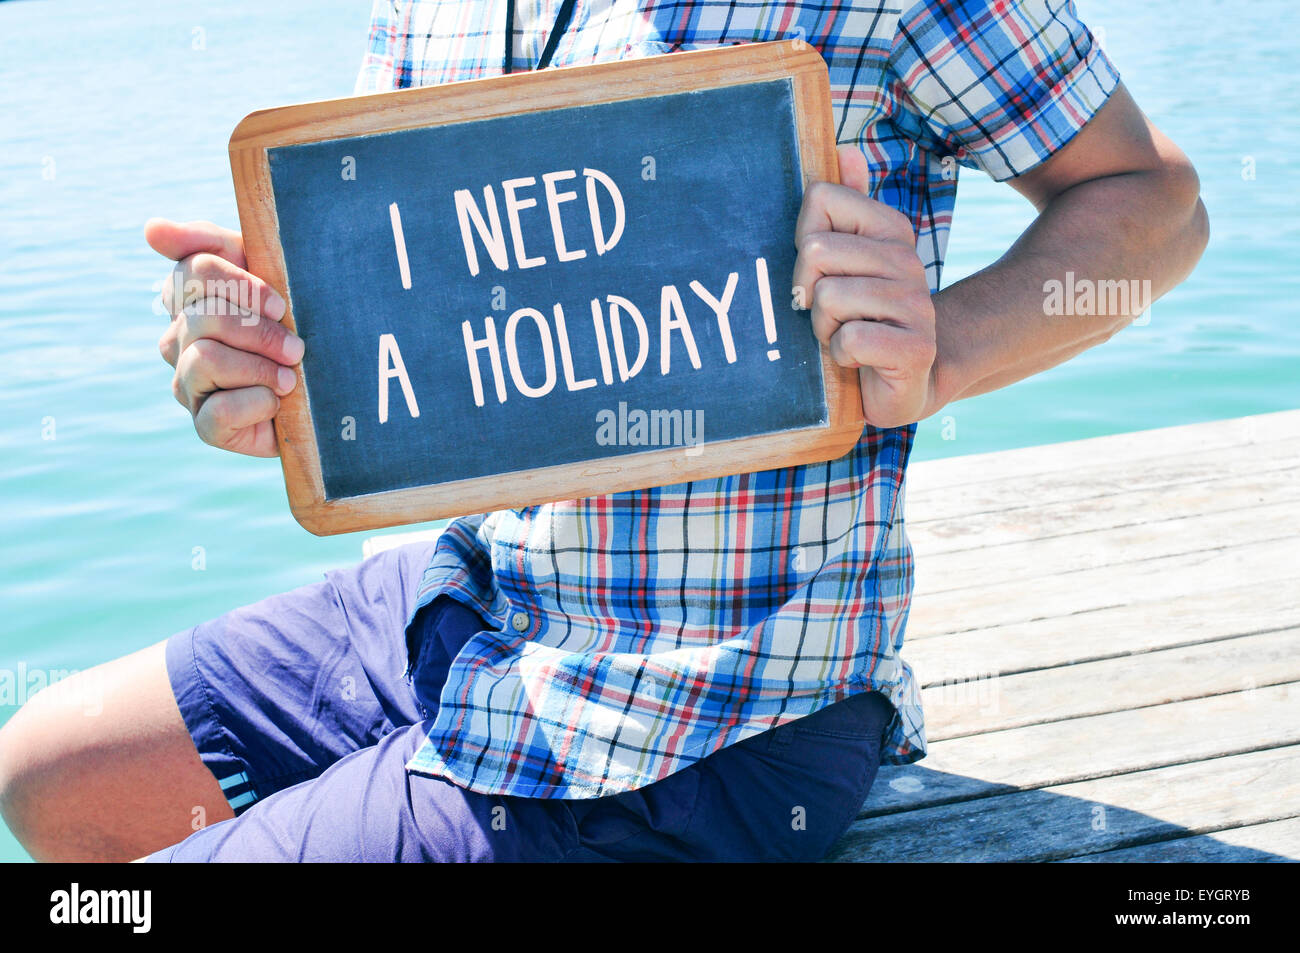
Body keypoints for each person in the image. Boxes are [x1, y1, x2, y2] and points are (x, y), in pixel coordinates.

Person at [0, 0, 1207, 862]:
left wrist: (938, 348)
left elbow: (1153, 199)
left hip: (708, 717)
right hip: (476, 593)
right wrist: (262, 363)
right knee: (48, 772)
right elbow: (418, 301)